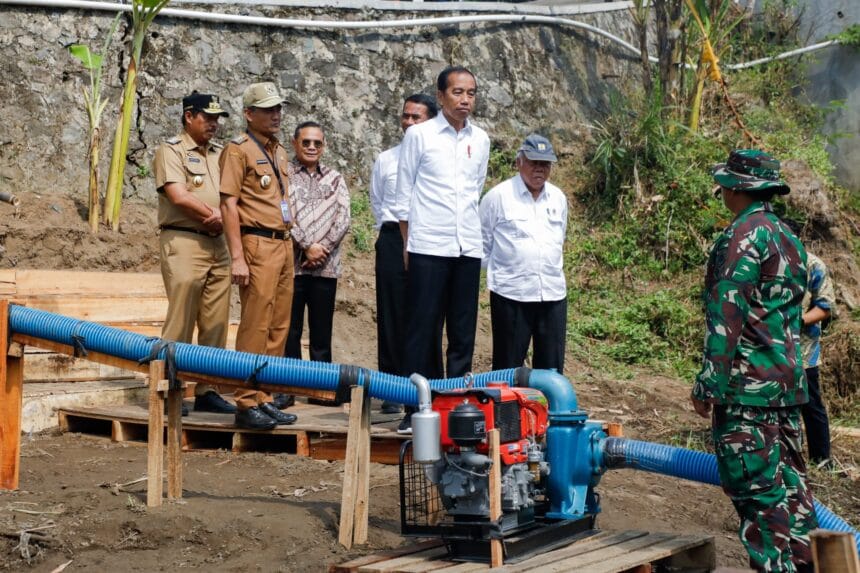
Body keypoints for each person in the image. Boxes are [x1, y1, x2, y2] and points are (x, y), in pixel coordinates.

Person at [691, 149, 817, 573]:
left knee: (759, 497)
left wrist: (710, 382)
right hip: (786, 388)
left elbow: (728, 312)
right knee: (793, 495)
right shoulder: (789, 237)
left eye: (726, 184)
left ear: (738, 188)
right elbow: (789, 315)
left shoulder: (743, 236)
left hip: (748, 393)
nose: (722, 190)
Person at [393, 66, 490, 433]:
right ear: (441, 95)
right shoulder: (419, 136)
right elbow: (404, 194)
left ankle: (457, 406)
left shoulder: (480, 139)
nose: (465, 99)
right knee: (422, 329)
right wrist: (407, 244)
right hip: (428, 244)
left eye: (471, 92)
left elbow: (474, 191)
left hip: (466, 245)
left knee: (463, 330)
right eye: (458, 92)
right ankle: (415, 407)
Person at [219, 82, 298, 430]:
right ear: (249, 114)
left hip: (283, 242)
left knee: (279, 324)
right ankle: (246, 399)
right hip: (257, 242)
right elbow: (228, 204)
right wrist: (237, 256)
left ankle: (266, 394)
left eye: (278, 108)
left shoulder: (278, 150)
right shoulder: (238, 150)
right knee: (255, 323)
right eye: (268, 109)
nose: (276, 114)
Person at [152, 92, 235, 416]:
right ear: (189, 116)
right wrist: (214, 215)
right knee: (181, 318)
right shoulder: (171, 150)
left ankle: (207, 388)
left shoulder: (220, 154)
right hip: (185, 240)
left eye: (217, 118)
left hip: (218, 244)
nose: (214, 124)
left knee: (215, 321)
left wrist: (223, 220)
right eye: (207, 117)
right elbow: (178, 195)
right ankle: (168, 389)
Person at [370, 94, 440, 415]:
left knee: (426, 314)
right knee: (391, 313)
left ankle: (430, 387)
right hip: (392, 240)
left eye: (417, 117)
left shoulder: (439, 160)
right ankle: (392, 389)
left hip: (429, 239)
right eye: (406, 116)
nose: (410, 122)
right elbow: (378, 202)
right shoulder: (386, 159)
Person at [480, 134, 568, 373]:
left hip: (552, 293)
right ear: (519, 162)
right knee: (507, 366)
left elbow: (560, 239)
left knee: (551, 369)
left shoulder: (558, 198)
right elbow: (482, 245)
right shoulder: (498, 196)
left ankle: (547, 410)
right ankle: (507, 411)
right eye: (533, 162)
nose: (539, 169)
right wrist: (507, 271)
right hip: (512, 294)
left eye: (545, 164)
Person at [284, 122, 351, 366]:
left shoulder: (335, 179)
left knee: (321, 333)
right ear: (295, 143)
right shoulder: (284, 175)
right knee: (289, 331)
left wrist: (321, 250)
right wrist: (305, 245)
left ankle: (319, 388)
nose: (312, 147)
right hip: (291, 266)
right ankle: (289, 386)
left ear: (324, 146)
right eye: (306, 142)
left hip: (326, 267)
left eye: (317, 143)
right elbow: (282, 212)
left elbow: (344, 217)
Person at [799, 250, 835, 464]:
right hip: (772, 348)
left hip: (804, 348)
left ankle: (821, 459)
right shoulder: (769, 258)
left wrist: (799, 321)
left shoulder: (813, 265)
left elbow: (825, 306)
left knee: (810, 402)